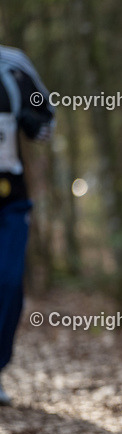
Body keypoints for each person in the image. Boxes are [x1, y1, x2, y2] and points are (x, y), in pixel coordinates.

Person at [0, 45, 55, 406]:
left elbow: (47, 119)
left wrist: (34, 123)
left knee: (8, 281)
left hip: (10, 197)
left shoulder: (14, 64)